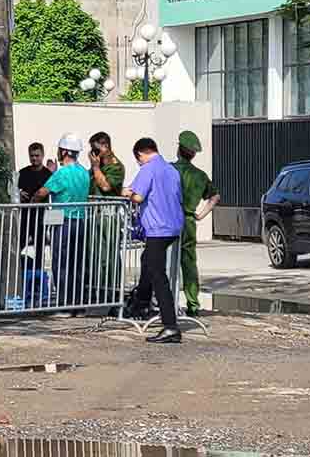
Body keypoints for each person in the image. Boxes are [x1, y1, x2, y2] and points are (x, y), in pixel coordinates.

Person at [121, 137, 187, 343]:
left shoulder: (148, 169)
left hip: (157, 228)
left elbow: (138, 196)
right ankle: (141, 302)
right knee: (148, 263)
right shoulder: (171, 170)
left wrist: (127, 195)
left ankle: (170, 326)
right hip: (174, 226)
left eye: (138, 160)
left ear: (141, 154)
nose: (139, 163)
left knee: (159, 276)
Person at [34, 133, 91, 313]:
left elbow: (42, 193)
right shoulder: (83, 172)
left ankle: (65, 304)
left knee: (62, 263)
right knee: (77, 263)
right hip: (81, 221)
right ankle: (78, 304)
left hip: (64, 221)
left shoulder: (61, 173)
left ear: (65, 151)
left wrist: (32, 199)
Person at [173, 130, 220, 318]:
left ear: (179, 149)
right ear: (193, 153)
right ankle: (193, 304)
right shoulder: (200, 175)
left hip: (168, 220)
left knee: (165, 260)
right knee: (189, 263)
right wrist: (200, 215)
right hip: (189, 221)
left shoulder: (169, 169)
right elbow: (215, 197)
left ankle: (165, 302)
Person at [88, 132, 126, 301]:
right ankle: (98, 292)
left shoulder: (115, 166)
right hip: (94, 215)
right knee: (96, 256)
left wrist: (95, 168)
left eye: (96, 149)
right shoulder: (97, 166)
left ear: (105, 146)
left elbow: (105, 186)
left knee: (110, 256)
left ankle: (113, 293)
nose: (93, 154)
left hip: (109, 216)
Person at [17, 142, 53, 268]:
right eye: (32, 156)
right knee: (18, 245)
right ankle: (19, 274)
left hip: (41, 217)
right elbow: (12, 191)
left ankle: (37, 276)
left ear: (42, 155)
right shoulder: (22, 173)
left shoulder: (49, 175)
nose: (34, 158)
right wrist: (19, 194)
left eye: (37, 155)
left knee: (40, 249)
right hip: (24, 216)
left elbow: (52, 194)